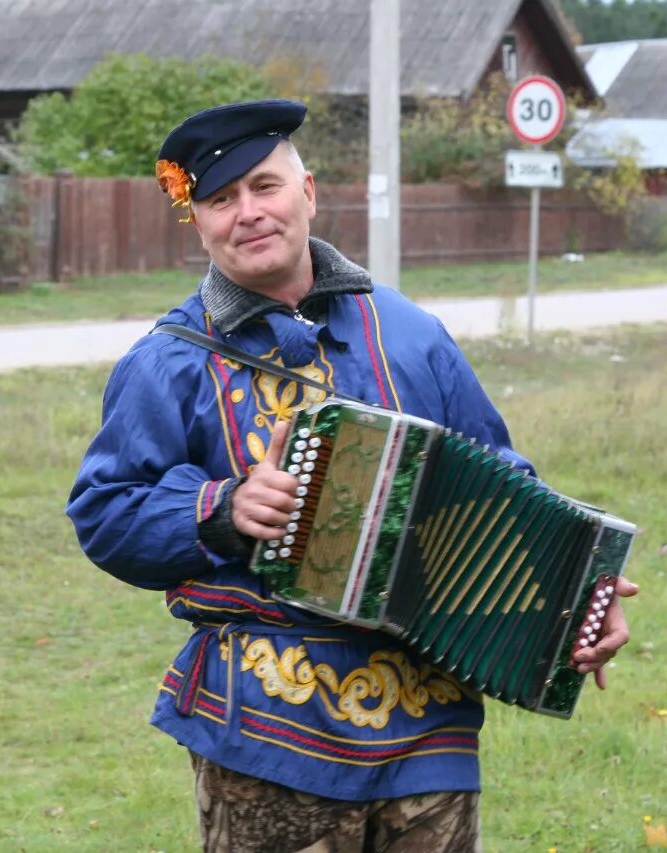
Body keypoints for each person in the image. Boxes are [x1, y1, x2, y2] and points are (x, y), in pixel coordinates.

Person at [67, 99, 637, 851]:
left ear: (308, 193)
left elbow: (502, 480)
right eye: (220, 199)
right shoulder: (169, 359)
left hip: (430, 731)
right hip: (271, 733)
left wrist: (578, 597)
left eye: (265, 187)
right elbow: (105, 511)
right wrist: (221, 508)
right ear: (198, 223)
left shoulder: (409, 332)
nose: (248, 213)